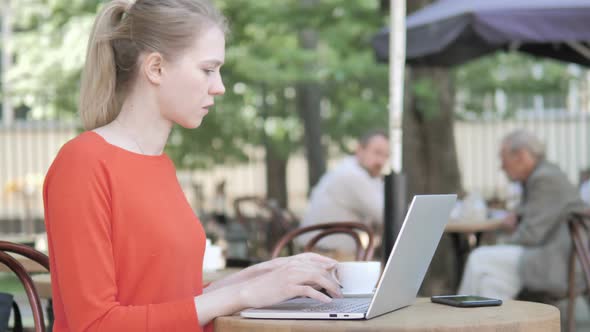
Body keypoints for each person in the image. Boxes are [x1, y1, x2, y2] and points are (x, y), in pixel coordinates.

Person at [42, 1, 341, 331]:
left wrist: (264, 276)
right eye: (208, 69)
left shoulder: (159, 165)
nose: (220, 86)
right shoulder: (82, 164)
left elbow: (173, 303)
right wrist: (243, 292)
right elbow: (95, 325)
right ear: (156, 68)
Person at [458, 130, 588, 300]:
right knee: (491, 283)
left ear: (521, 156)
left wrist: (503, 242)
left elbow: (530, 235)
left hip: (561, 265)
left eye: (503, 159)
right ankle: (490, 324)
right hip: (556, 259)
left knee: (479, 258)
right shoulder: (543, 175)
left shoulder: (545, 179)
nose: (501, 167)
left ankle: (458, 320)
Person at [299, 130, 390, 253]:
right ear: (359, 150)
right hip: (325, 256)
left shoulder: (352, 170)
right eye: (377, 152)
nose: (381, 161)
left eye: (386, 156)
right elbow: (386, 214)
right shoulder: (352, 175)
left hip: (323, 251)